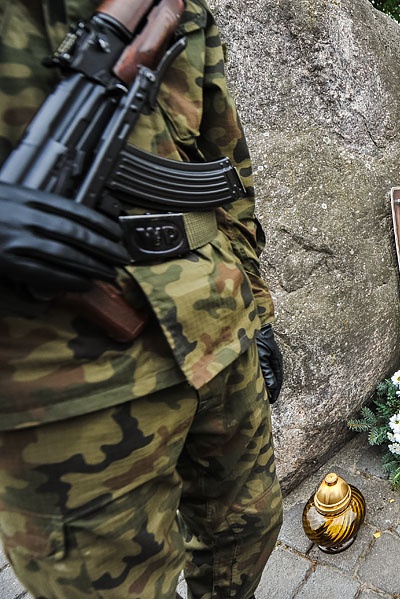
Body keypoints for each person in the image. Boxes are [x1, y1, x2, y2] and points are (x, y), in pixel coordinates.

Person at [0, 2, 284, 598]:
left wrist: (256, 310)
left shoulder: (175, 7)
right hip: (61, 372)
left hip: (213, 320)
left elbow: (225, 169)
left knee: (250, 528)